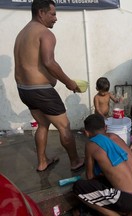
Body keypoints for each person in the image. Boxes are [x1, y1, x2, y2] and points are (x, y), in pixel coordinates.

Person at [14, 0, 84, 172]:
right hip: (41, 91)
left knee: (43, 124)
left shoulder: (22, 33)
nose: (56, 18)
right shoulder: (45, 33)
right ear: (41, 13)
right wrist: (69, 83)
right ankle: (75, 161)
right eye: (52, 14)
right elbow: (49, 62)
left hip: (24, 90)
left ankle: (42, 161)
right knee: (64, 126)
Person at [73, 113, 132, 216]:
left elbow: (90, 177)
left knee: (78, 187)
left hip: (127, 199)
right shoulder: (114, 136)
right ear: (106, 128)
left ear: (86, 133)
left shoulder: (90, 145)